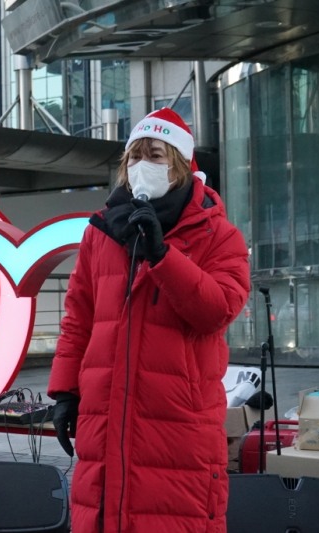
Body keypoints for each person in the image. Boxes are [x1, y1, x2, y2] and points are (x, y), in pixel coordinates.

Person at [48, 108, 251, 532]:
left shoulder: (219, 235)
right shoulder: (102, 231)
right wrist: (66, 391)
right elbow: (79, 319)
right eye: (135, 156)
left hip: (177, 426)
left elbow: (217, 310)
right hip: (106, 422)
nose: (144, 165)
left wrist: (164, 257)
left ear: (180, 164)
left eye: (156, 155)